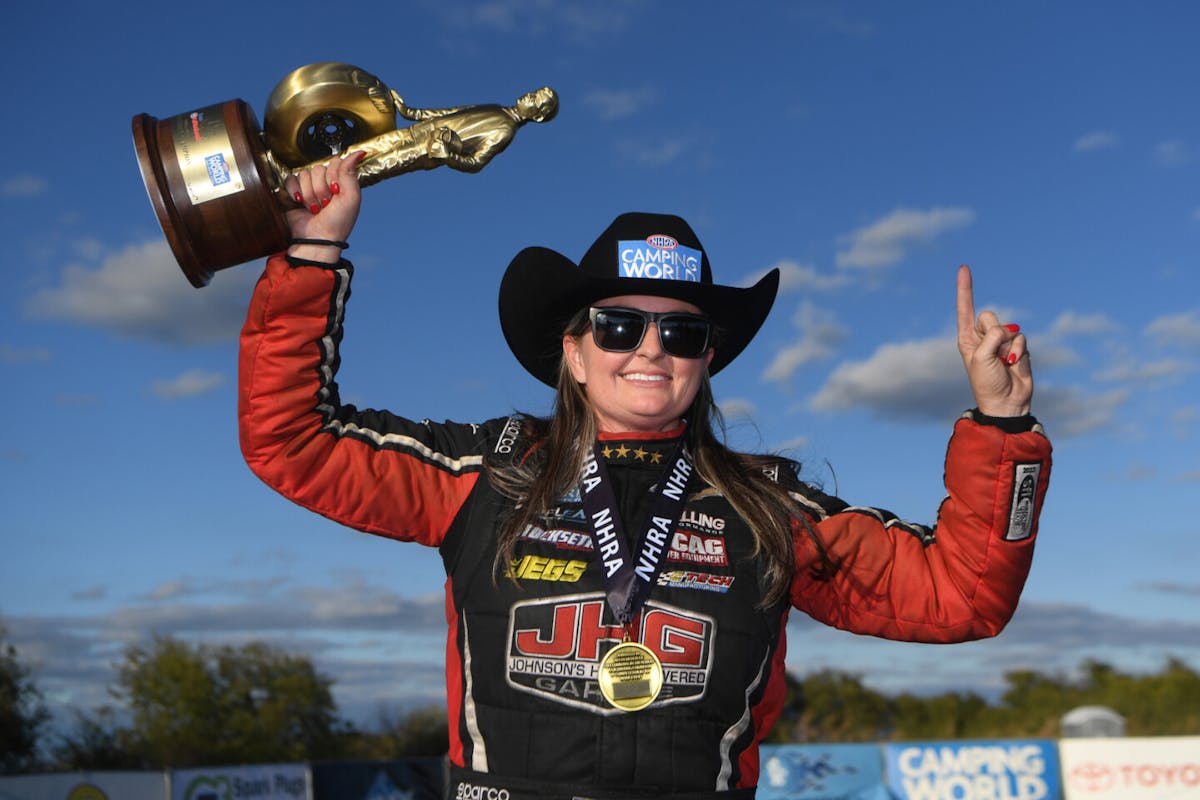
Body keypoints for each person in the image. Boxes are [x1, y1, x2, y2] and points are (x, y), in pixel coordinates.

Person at [239, 153, 1051, 800]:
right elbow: (291, 440)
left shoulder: (767, 509)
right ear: (575, 352)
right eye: (620, 324)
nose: (651, 348)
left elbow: (961, 595)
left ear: (707, 359)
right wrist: (312, 253)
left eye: (683, 332)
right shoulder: (485, 474)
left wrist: (1004, 429)